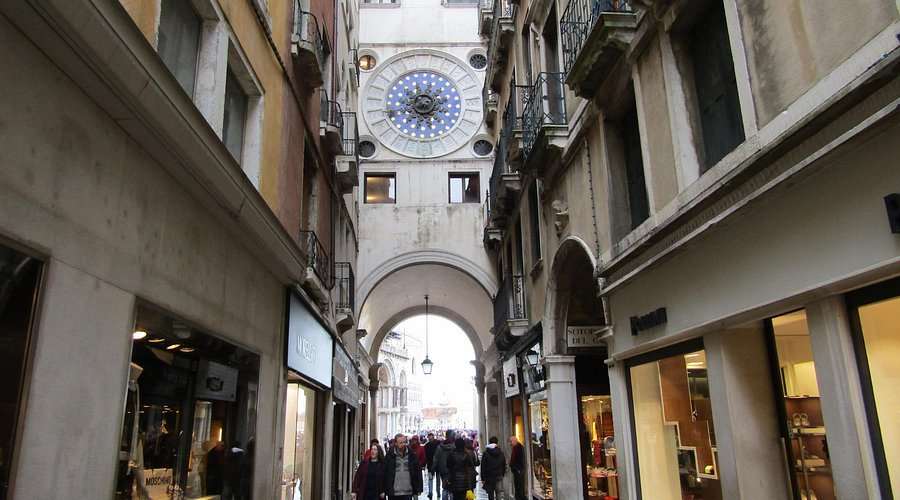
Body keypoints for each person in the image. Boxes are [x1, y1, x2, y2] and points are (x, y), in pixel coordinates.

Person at [384, 433, 423, 500]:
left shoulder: (412, 455)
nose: (403, 444)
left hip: (408, 492)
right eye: (401, 443)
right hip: (393, 492)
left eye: (404, 442)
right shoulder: (389, 456)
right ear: (396, 443)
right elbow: (385, 472)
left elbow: (418, 472)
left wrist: (419, 488)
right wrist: (383, 489)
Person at [433, 430, 456, 500]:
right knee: (452, 488)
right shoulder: (455, 447)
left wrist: (433, 468)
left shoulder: (440, 447)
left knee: (445, 488)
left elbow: (435, 458)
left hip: (443, 470)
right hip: (453, 470)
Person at [509, 436, 526, 500]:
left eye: (511, 441)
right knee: (517, 486)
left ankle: (520, 498)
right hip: (516, 470)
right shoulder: (515, 447)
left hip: (518, 470)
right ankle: (518, 497)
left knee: (519, 486)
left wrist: (518, 469)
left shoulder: (519, 447)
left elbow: (520, 459)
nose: (510, 443)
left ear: (515, 441)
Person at [424, 432, 440, 499]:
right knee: (435, 480)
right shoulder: (438, 444)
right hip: (434, 465)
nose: (430, 439)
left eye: (431, 438)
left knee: (433, 479)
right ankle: (434, 493)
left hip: (433, 465)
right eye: (429, 438)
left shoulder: (427, 445)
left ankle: (433, 492)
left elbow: (426, 456)